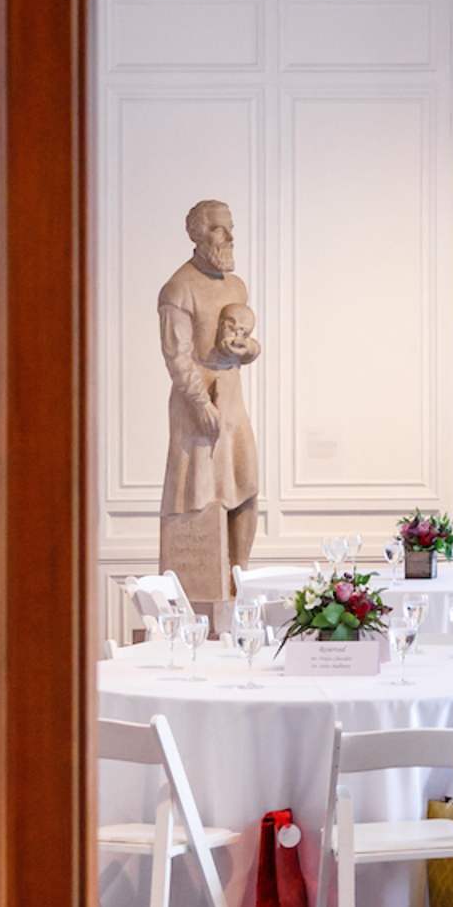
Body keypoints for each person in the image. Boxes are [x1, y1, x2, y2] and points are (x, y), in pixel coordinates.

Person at [156, 198, 262, 627]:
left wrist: (248, 349)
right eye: (220, 229)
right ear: (197, 235)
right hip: (197, 406)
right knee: (197, 494)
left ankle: (239, 581)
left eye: (231, 227)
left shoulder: (236, 286)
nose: (230, 236)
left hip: (232, 400)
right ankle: (200, 594)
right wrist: (200, 402)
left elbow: (249, 342)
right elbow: (177, 356)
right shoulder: (178, 289)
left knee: (246, 485)